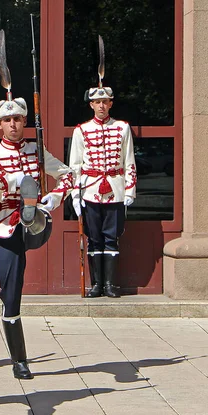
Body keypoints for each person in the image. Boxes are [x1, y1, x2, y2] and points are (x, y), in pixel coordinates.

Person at [0, 96, 74, 380]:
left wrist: (53, 200)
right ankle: (19, 357)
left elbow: (67, 175)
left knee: (15, 288)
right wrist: (11, 180)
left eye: (17, 119)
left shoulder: (36, 150)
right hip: (7, 223)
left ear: (24, 122)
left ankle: (20, 360)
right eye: (7, 120)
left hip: (35, 221)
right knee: (11, 290)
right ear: (0, 125)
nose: (13, 124)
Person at [69, 85, 137, 298]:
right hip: (90, 189)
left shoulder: (123, 128)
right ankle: (96, 284)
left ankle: (110, 284)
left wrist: (129, 191)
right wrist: (75, 194)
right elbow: (75, 165)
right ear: (91, 105)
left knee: (111, 237)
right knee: (94, 238)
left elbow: (129, 161)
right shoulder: (81, 130)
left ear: (111, 104)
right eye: (97, 102)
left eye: (105, 101)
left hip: (115, 188)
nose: (101, 105)